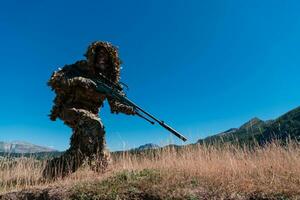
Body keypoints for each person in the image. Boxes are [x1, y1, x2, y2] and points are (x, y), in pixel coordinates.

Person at [43, 41, 135, 179]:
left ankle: (52, 172)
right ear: (94, 56)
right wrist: (80, 80)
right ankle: (102, 171)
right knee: (95, 124)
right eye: (99, 54)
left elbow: (114, 105)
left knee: (81, 150)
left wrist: (129, 109)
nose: (102, 58)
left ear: (111, 60)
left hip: (90, 114)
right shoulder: (81, 68)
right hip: (70, 109)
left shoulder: (109, 82)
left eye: (106, 56)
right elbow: (56, 79)